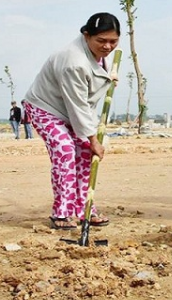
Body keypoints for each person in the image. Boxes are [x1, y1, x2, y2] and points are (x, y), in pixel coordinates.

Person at [24, 12, 120, 230]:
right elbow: (79, 105)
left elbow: (89, 86)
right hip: (45, 108)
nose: (107, 46)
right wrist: (93, 139)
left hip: (71, 110)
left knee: (85, 153)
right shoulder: (73, 61)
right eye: (101, 41)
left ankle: (85, 209)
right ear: (86, 35)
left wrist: (107, 78)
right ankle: (62, 212)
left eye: (113, 41)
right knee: (66, 150)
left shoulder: (98, 53)